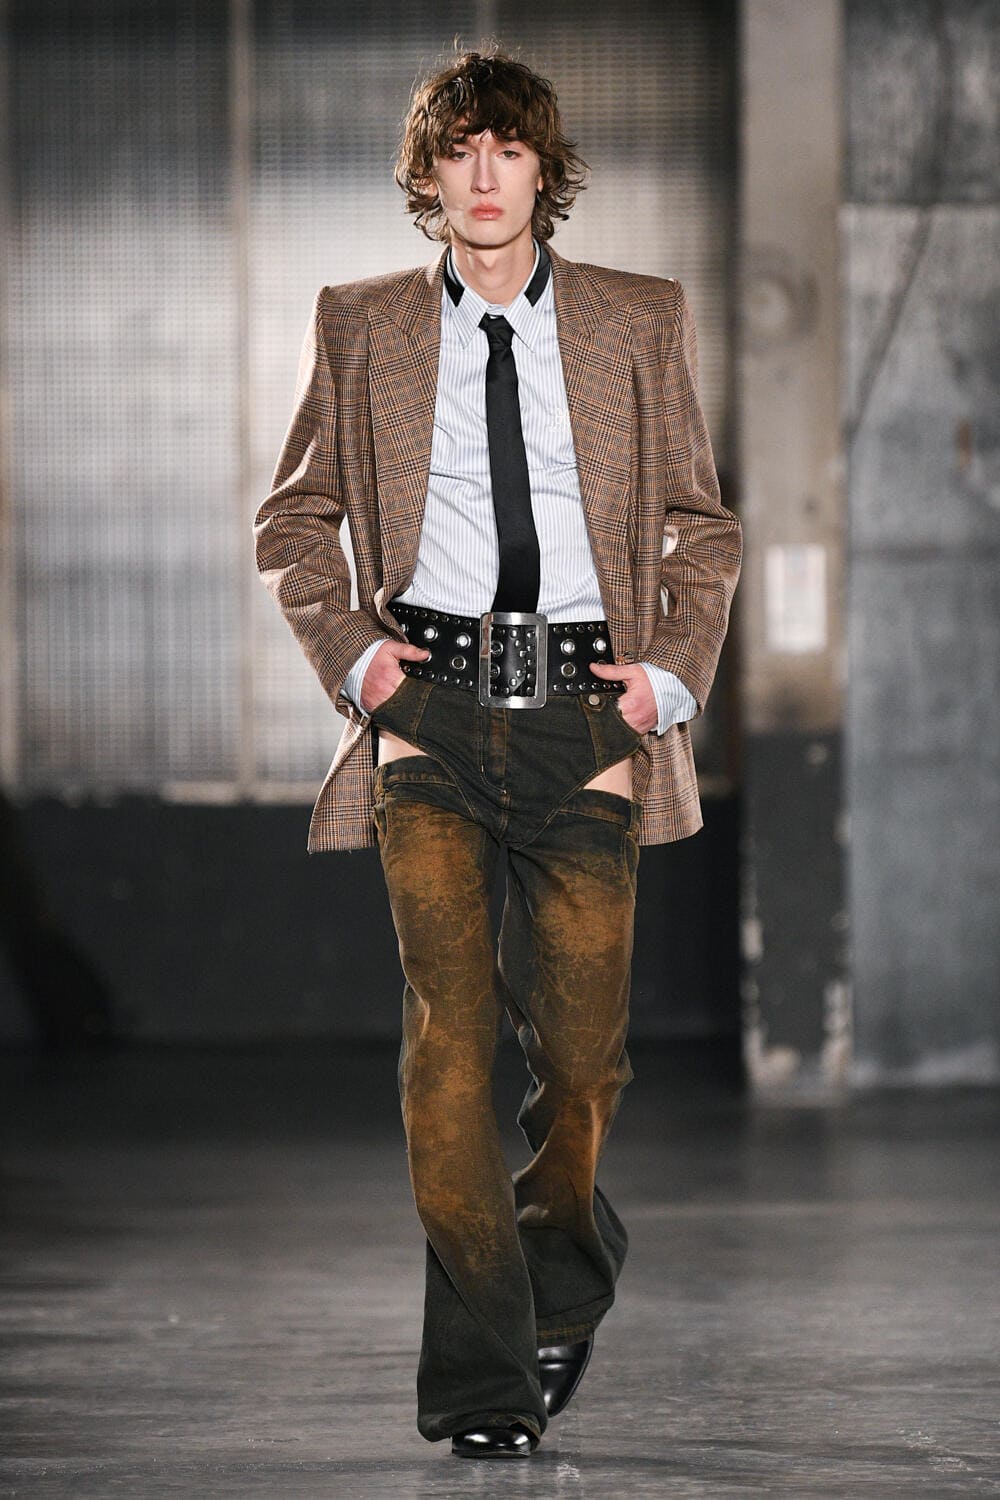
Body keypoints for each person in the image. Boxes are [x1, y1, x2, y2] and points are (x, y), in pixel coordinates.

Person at [253, 47, 741, 1459]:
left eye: (508, 149)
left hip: (586, 717)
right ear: (427, 174)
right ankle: (482, 1381)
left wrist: (667, 679)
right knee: (450, 1055)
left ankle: (563, 1272)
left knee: (582, 1060)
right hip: (432, 720)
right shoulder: (362, 323)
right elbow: (295, 521)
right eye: (458, 150)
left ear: (543, 171)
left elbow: (700, 525)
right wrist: (358, 662)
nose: (483, 174)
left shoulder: (638, 317)